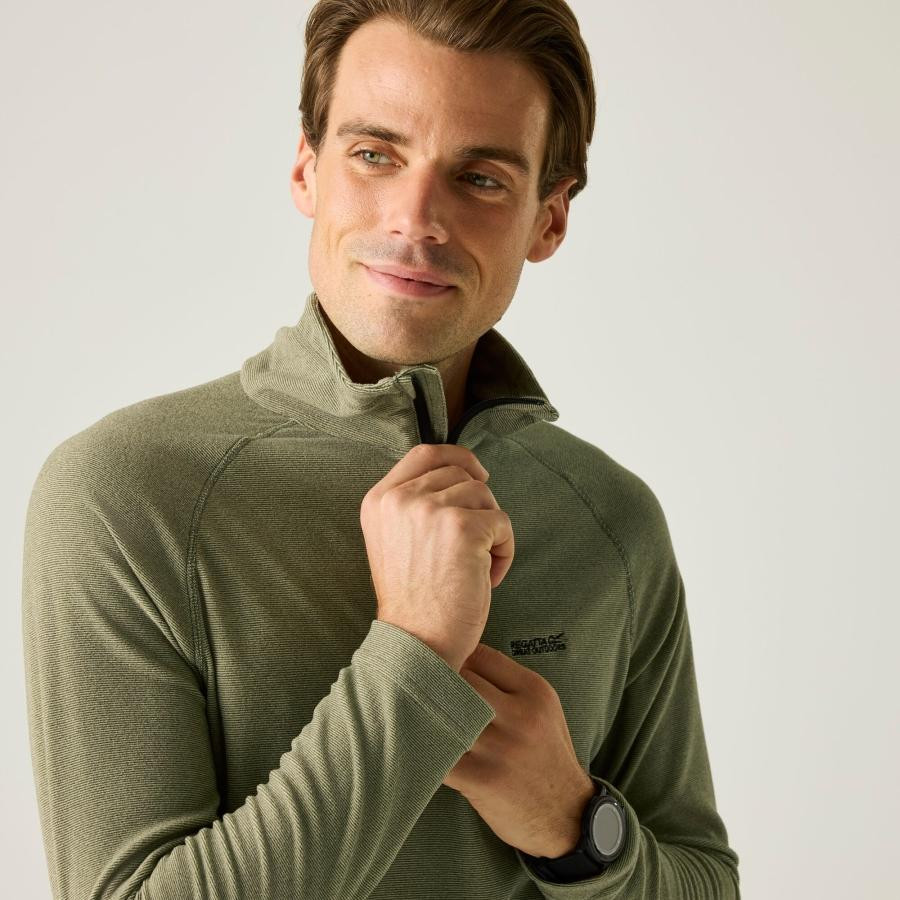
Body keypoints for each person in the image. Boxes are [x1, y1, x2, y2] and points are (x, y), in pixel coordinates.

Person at [21, 1, 740, 898]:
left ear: (549, 220)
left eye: (479, 178)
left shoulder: (611, 519)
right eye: (374, 155)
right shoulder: (126, 495)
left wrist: (571, 821)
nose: (416, 218)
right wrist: (415, 654)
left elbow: (705, 881)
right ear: (307, 168)